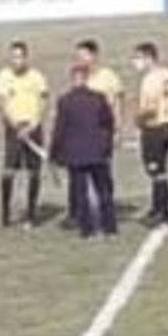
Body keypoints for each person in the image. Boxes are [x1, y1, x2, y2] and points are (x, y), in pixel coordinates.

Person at [62, 39, 126, 230]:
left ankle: (107, 214)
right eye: (78, 56)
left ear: (94, 55)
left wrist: (117, 129)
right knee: (76, 180)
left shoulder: (108, 77)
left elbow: (117, 103)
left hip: (101, 134)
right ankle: (77, 215)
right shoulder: (80, 77)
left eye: (83, 55)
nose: (80, 59)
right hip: (80, 137)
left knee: (102, 176)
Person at [49, 63, 118, 239]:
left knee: (81, 194)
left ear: (72, 79)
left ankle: (87, 230)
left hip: (76, 155)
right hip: (97, 153)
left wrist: (54, 153)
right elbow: (109, 123)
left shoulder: (65, 101)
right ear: (87, 78)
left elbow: (59, 129)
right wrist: (107, 146)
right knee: (103, 192)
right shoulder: (98, 98)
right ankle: (110, 228)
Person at [0, 40, 50, 229]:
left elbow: (43, 102)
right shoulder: (3, 77)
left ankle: (31, 214)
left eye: (19, 57)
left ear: (26, 57)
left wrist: (33, 124)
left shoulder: (37, 77)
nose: (16, 61)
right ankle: (5, 213)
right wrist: (15, 126)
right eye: (13, 57)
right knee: (9, 172)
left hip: (33, 129)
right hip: (14, 130)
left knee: (34, 173)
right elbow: (1, 105)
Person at [132, 41, 168, 228]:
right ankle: (156, 207)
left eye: (138, 57)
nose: (136, 62)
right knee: (160, 169)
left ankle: (164, 212)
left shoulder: (151, 80)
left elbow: (150, 108)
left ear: (148, 57)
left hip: (154, 128)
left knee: (156, 171)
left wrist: (138, 118)